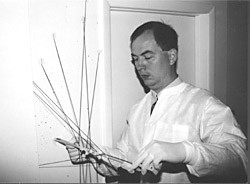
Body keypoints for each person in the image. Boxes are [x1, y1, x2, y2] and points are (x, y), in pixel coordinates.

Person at [67, 21, 247, 183]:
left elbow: (238, 160)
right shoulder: (138, 109)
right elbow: (125, 159)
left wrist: (186, 152)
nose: (140, 66)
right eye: (135, 59)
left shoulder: (203, 103)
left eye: (147, 57)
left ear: (171, 57)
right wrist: (92, 153)